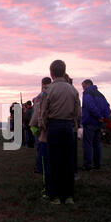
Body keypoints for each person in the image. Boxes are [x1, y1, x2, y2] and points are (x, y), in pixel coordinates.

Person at [41, 60, 79, 205]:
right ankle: (68, 195)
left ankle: (55, 196)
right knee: (68, 161)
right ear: (64, 71)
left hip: (54, 127)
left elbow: (43, 113)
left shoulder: (48, 90)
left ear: (51, 73)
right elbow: (77, 112)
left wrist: (44, 127)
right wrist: (72, 125)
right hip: (68, 127)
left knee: (53, 162)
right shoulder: (73, 90)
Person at [81, 79, 111, 170]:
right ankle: (97, 164)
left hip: (90, 122)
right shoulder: (100, 94)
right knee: (97, 144)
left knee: (88, 144)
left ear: (88, 84)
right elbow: (107, 107)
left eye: (83, 86)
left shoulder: (87, 93)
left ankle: (88, 165)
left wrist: (99, 116)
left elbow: (90, 106)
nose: (83, 88)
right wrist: (104, 117)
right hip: (99, 123)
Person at [30, 77, 52, 198]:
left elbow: (39, 114)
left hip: (44, 128)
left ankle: (41, 171)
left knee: (42, 152)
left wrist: (36, 126)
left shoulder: (43, 95)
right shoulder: (70, 91)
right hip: (61, 127)